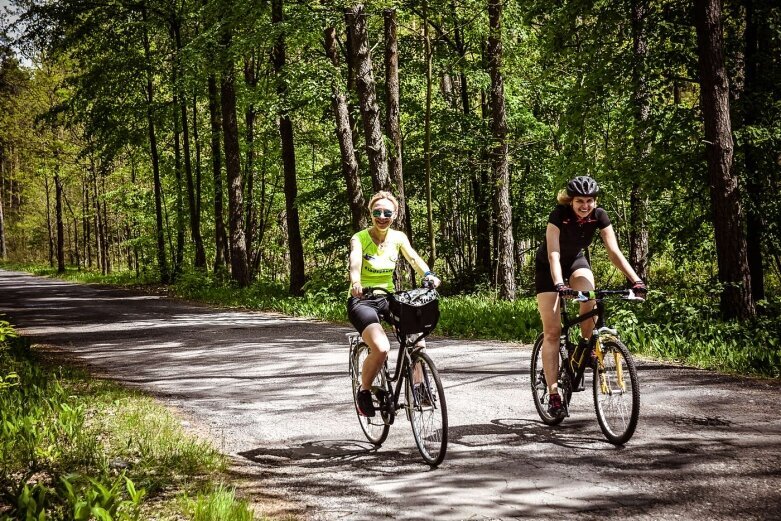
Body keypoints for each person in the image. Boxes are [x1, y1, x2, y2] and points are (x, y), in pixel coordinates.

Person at [535, 176, 646, 418]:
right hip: (549, 269)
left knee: (590, 294)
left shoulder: (599, 216)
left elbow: (614, 252)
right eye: (579, 201)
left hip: (575, 261)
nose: (585, 206)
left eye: (589, 201)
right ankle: (554, 394)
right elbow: (553, 254)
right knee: (553, 332)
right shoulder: (558, 215)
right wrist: (559, 284)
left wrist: (635, 280)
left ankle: (587, 348)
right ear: (570, 201)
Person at [347, 191, 441, 417]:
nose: (382, 216)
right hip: (363, 300)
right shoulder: (359, 238)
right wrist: (356, 282)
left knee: (417, 337)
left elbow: (414, 259)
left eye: (387, 212)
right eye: (376, 212)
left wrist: (428, 274)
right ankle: (364, 391)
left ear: (395, 214)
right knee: (381, 347)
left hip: (388, 297)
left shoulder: (398, 237)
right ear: (370, 213)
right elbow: (355, 261)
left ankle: (419, 388)